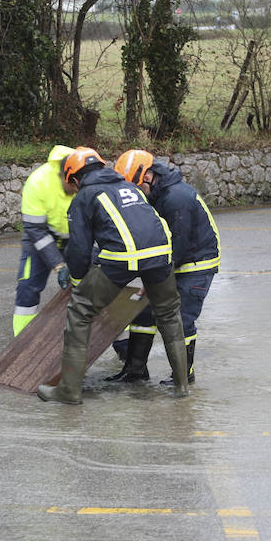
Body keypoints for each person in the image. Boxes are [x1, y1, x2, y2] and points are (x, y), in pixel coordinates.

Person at [37, 147, 191, 404]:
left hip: (124, 257)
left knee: (80, 311)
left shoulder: (84, 197)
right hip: (161, 252)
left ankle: (69, 391)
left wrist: (78, 284)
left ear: (74, 179)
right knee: (168, 314)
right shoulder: (129, 186)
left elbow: (79, 250)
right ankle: (181, 387)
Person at [104, 149, 219, 386]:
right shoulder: (161, 194)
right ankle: (135, 370)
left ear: (147, 177)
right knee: (144, 313)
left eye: (137, 188)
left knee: (182, 317)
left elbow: (178, 244)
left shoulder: (176, 198)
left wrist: (154, 278)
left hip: (196, 265)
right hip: (178, 261)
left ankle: (184, 376)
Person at [14, 145, 76, 334]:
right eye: (72, 184)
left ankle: (123, 348)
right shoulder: (38, 182)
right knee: (27, 288)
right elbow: (34, 229)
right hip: (40, 239)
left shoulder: (85, 177)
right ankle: (20, 346)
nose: (75, 189)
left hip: (75, 241)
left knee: (96, 289)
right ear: (62, 176)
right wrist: (59, 264)